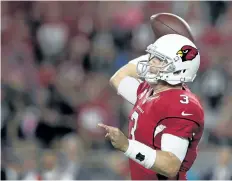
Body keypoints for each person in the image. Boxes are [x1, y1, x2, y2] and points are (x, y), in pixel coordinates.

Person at [98, 34, 204, 180]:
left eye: (159, 59)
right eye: (152, 56)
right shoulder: (150, 90)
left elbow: (170, 165)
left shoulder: (182, 105)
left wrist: (127, 146)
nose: (149, 62)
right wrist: (157, 55)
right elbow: (118, 77)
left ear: (179, 69)